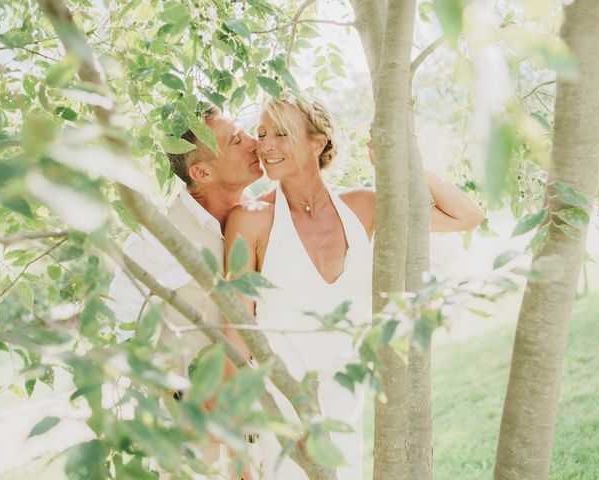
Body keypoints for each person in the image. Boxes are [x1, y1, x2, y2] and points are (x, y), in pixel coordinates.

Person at [223, 92, 485, 479]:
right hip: (278, 419)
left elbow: (466, 215)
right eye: (262, 134)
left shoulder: (363, 206)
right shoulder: (252, 218)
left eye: (280, 133)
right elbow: (236, 331)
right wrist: (236, 448)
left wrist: (402, 161)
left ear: (318, 140)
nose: (266, 146)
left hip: (346, 410)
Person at [107, 105, 262, 479]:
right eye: (237, 140)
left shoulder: (263, 215)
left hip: (257, 413)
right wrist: (175, 393)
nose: (255, 144)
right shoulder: (160, 236)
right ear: (202, 172)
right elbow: (123, 323)